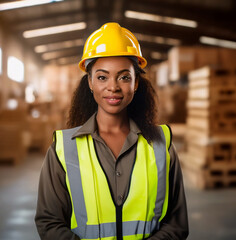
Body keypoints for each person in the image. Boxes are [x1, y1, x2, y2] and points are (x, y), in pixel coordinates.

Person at [35, 22, 189, 240]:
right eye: (102, 77)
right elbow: (49, 222)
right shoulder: (63, 149)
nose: (113, 86)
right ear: (89, 82)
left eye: (124, 77)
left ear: (136, 83)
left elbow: (177, 223)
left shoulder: (161, 145)